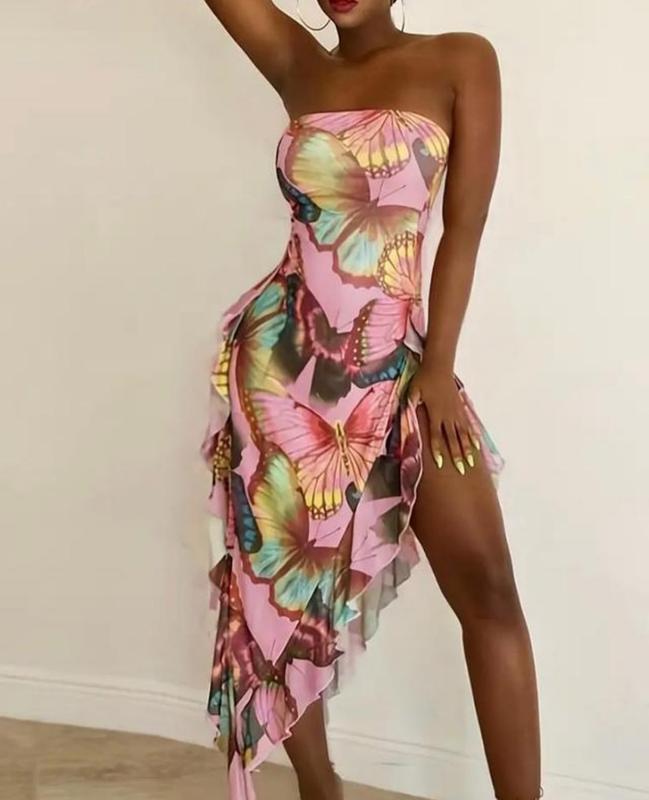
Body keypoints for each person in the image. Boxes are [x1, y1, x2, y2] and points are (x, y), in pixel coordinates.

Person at [198, 1, 542, 799]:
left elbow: (464, 228)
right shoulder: (296, 60)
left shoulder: (460, 58)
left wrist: (438, 367)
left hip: (399, 364)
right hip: (282, 369)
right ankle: (319, 789)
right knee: (276, 593)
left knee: (488, 588)